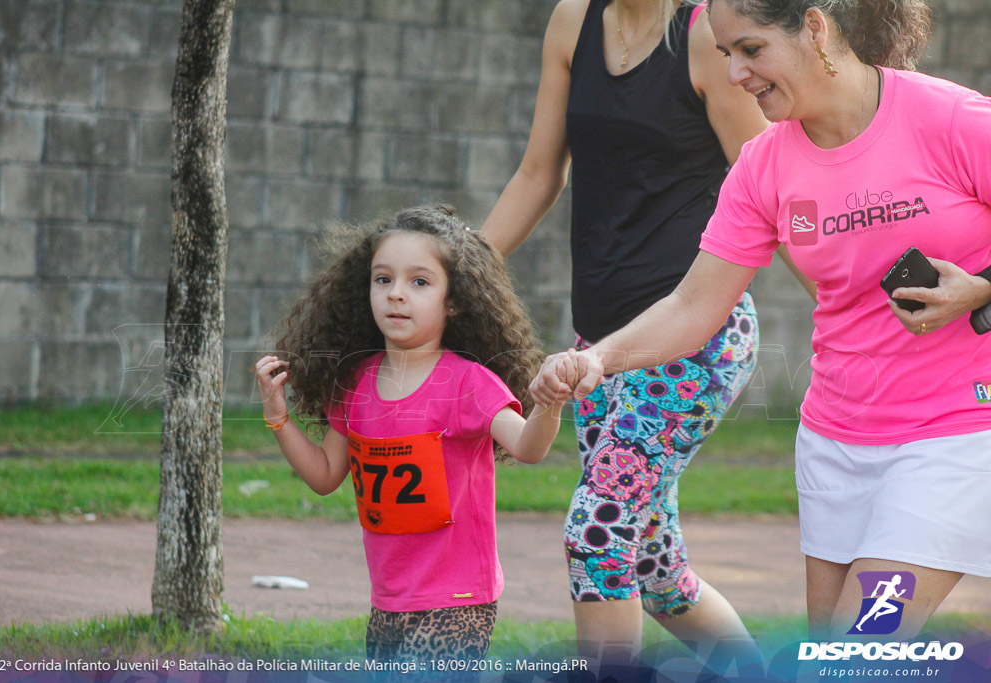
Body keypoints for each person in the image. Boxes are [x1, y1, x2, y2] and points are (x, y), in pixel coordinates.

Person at [531, 0, 991, 642]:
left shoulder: (949, 118)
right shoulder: (763, 164)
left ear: (814, 27)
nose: (737, 74)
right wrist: (599, 359)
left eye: (750, 50)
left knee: (864, 646)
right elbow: (694, 306)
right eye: (726, 55)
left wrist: (982, 290)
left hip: (956, 434)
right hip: (837, 438)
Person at [480, 0, 801, 666]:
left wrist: (846, 296)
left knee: (597, 534)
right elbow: (539, 173)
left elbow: (769, 189)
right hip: (599, 348)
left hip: (695, 342)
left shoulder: (705, 38)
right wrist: (456, 271)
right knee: (654, 569)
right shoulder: (574, 21)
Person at [254, 205, 564, 675]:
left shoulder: (468, 383)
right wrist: (278, 416)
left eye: (419, 282)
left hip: (457, 599)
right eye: (383, 279)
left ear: (453, 299)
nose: (396, 294)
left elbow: (528, 447)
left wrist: (550, 404)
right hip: (388, 599)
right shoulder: (355, 383)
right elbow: (324, 476)